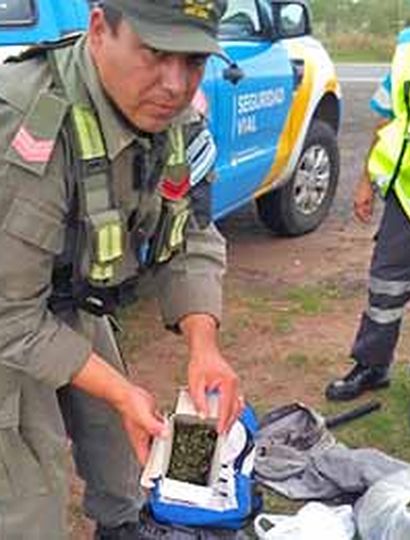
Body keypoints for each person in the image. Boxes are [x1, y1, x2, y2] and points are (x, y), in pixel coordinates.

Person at [0, 1, 244, 538]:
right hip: (8, 311)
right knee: (28, 507)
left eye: (194, 61)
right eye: (155, 53)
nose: (175, 85)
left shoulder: (176, 117)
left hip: (67, 301)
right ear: (97, 29)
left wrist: (204, 346)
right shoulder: (29, 121)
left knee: (123, 474)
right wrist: (118, 390)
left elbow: (192, 233)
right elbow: (10, 315)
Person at [325, 28, 410, 401]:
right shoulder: (407, 51)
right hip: (405, 196)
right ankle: (372, 366)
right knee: (385, 286)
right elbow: (387, 121)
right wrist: (365, 182)